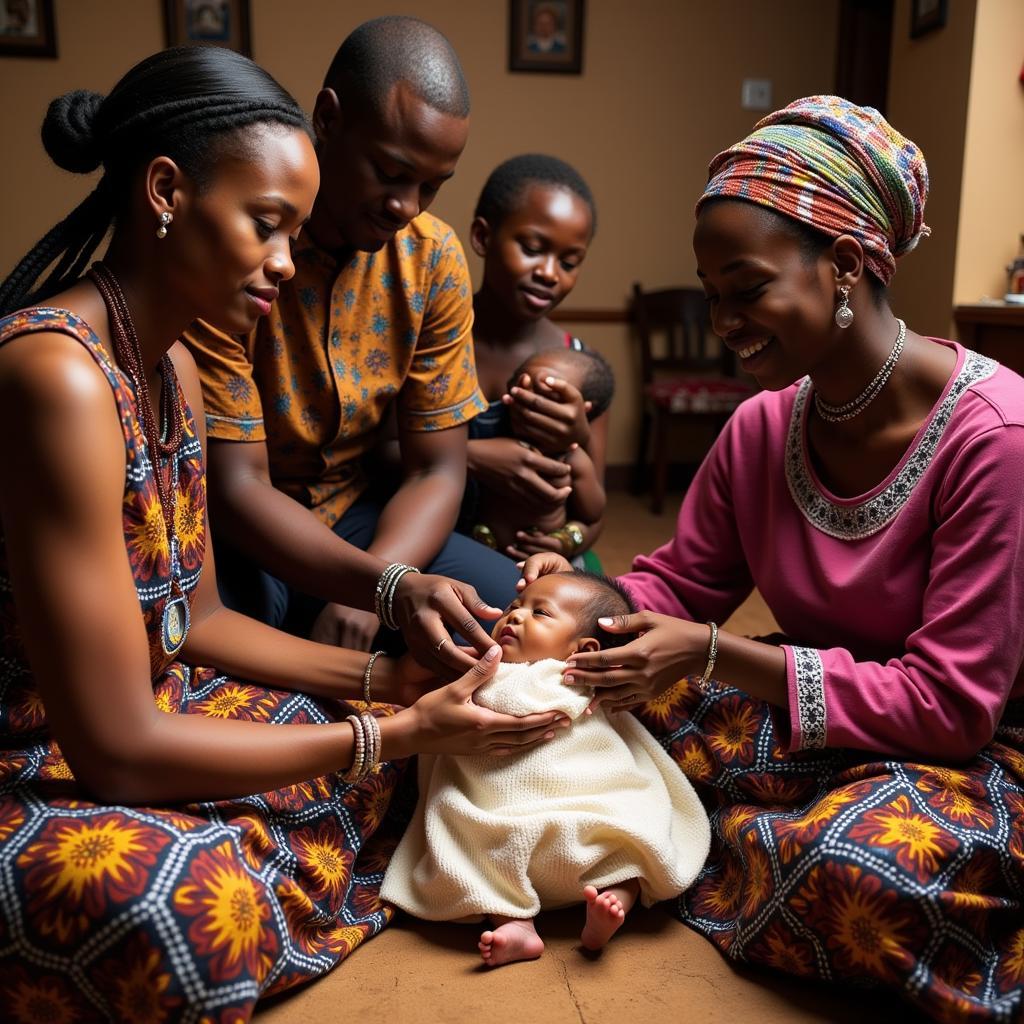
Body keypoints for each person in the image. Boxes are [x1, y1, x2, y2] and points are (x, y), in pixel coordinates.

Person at [0, 47, 568, 1021]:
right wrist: (387, 731)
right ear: (167, 191)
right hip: (40, 756)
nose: (281, 261)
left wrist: (387, 684)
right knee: (192, 908)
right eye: (266, 226)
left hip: (154, 701)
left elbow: (202, 620)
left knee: (364, 775)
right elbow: (112, 747)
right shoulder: (55, 375)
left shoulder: (168, 364)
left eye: (292, 232)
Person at [519, 96, 1024, 1020]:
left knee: (863, 877)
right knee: (570, 714)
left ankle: (712, 841)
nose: (723, 321)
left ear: (843, 266)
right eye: (711, 294)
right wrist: (575, 602)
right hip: (823, 724)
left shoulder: (994, 438)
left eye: (745, 290)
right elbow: (677, 585)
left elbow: (951, 707)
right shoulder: (763, 427)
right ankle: (724, 835)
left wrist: (711, 653)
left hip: (971, 750)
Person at [183, 16, 520, 664]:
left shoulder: (434, 260)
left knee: (514, 629)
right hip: (237, 531)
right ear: (329, 119)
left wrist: (378, 583)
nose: (407, 205)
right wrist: (383, 589)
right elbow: (238, 485)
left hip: (364, 521)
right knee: (199, 662)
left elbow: (436, 467)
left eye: (431, 185)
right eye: (390, 173)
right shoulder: (243, 244)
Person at [380, 570, 710, 966]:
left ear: (583, 647)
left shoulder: (580, 679)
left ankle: (611, 903)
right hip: (503, 811)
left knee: (634, 821)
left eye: (540, 613)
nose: (514, 616)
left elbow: (534, 705)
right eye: (515, 607)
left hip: (589, 803)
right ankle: (517, 924)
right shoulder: (488, 670)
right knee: (462, 824)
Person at [468, 154, 608, 563]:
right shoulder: (436, 339)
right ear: (482, 237)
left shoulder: (581, 367)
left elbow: (593, 511)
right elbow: (384, 455)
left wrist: (564, 543)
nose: (550, 273)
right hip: (446, 546)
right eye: (532, 248)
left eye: (569, 262)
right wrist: (473, 458)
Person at [467, 345, 612, 561]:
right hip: (483, 549)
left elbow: (593, 513)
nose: (531, 401)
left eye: (550, 395)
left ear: (582, 412)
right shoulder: (492, 441)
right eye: (521, 387)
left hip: (549, 559)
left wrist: (565, 541)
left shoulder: (572, 459)